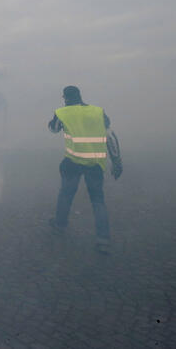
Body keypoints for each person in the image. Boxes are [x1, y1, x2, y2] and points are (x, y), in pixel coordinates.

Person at [47, 85, 122, 254]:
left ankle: (60, 225)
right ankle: (103, 239)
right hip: (95, 164)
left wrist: (53, 121)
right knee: (97, 200)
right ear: (80, 96)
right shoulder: (98, 112)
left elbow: (53, 129)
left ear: (65, 98)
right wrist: (117, 161)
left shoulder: (63, 112)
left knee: (66, 194)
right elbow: (111, 136)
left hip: (73, 161)